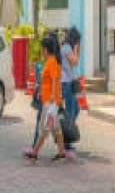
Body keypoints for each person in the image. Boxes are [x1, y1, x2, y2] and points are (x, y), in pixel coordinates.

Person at [25, 35, 66, 163]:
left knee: (44, 127)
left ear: (46, 50)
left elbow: (54, 79)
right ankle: (61, 152)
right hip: (48, 100)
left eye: (42, 49)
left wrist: (53, 96)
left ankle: (35, 153)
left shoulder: (52, 61)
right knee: (56, 128)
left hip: (50, 102)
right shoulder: (49, 61)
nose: (41, 51)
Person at [60, 27, 81, 158]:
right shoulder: (67, 47)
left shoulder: (66, 47)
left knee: (76, 109)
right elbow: (75, 62)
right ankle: (66, 140)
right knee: (71, 111)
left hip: (68, 82)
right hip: (65, 83)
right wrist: (77, 50)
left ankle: (68, 135)